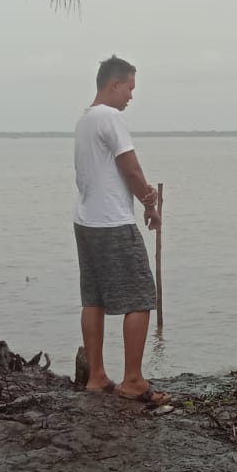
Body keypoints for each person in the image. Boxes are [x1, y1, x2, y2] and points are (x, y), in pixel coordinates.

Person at [73, 55, 167, 405]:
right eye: (129, 87)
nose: (130, 95)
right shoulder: (110, 118)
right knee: (141, 296)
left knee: (93, 297)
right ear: (113, 85)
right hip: (113, 221)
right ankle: (133, 380)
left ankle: (96, 376)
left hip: (85, 220)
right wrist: (148, 201)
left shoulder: (84, 120)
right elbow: (130, 167)